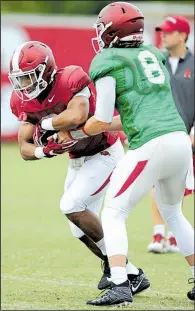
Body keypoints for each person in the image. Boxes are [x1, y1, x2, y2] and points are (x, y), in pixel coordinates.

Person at [56, 2, 194, 305]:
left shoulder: (108, 59)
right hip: (178, 139)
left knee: (114, 212)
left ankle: (120, 283)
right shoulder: (154, 55)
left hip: (151, 144)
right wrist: (85, 128)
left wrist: (70, 131)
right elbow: (127, 117)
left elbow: (103, 120)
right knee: (174, 212)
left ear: (113, 32)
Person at [8, 40, 150, 295]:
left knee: (71, 205)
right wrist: (45, 150)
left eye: (28, 78)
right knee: (77, 227)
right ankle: (129, 272)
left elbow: (78, 116)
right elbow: (24, 149)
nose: (23, 86)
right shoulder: (22, 101)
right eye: (20, 80)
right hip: (78, 158)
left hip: (104, 152)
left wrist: (48, 125)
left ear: (45, 71)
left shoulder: (69, 79)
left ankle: (120, 272)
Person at [147, 15, 194, 254]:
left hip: (188, 136)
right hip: (158, 133)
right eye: (162, 31)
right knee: (156, 181)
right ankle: (158, 232)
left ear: (183, 35)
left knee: (181, 186)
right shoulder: (155, 61)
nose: (163, 35)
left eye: (168, 31)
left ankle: (176, 235)